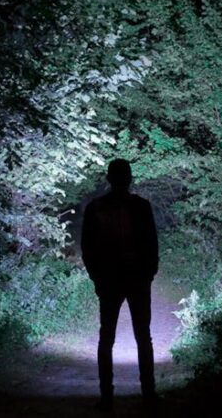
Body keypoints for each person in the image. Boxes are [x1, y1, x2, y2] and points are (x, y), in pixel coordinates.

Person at [81, 158, 160, 411]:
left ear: (109, 179)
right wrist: (148, 273)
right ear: (129, 178)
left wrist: (96, 277)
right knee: (142, 336)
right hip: (134, 278)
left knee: (107, 337)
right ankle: (148, 394)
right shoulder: (141, 206)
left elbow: (88, 247)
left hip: (112, 279)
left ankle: (107, 397)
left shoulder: (96, 207)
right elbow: (151, 244)